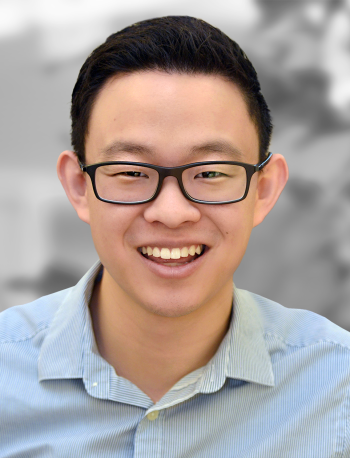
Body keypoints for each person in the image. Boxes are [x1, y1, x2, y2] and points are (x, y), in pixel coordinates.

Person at [1, 16, 350, 457]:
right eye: (131, 172)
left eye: (209, 173)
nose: (171, 212)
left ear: (263, 190)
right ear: (78, 186)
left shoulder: (338, 390)